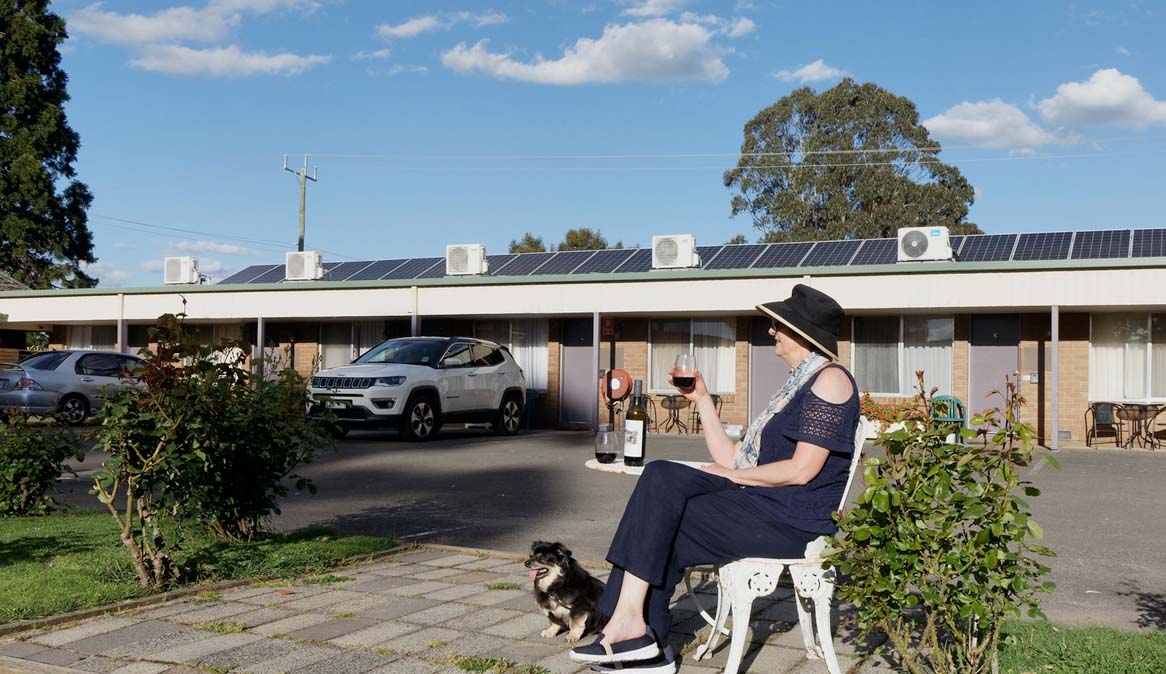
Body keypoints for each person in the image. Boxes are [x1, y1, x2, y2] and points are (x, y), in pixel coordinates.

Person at [569, 284, 860, 674]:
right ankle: (636, 637)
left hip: (793, 520)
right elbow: (732, 456)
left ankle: (640, 638)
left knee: (662, 519)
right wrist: (703, 399)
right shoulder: (794, 386)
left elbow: (802, 469)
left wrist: (733, 474)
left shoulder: (830, 380)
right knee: (660, 487)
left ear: (801, 333)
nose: (771, 330)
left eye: (778, 324)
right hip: (763, 504)